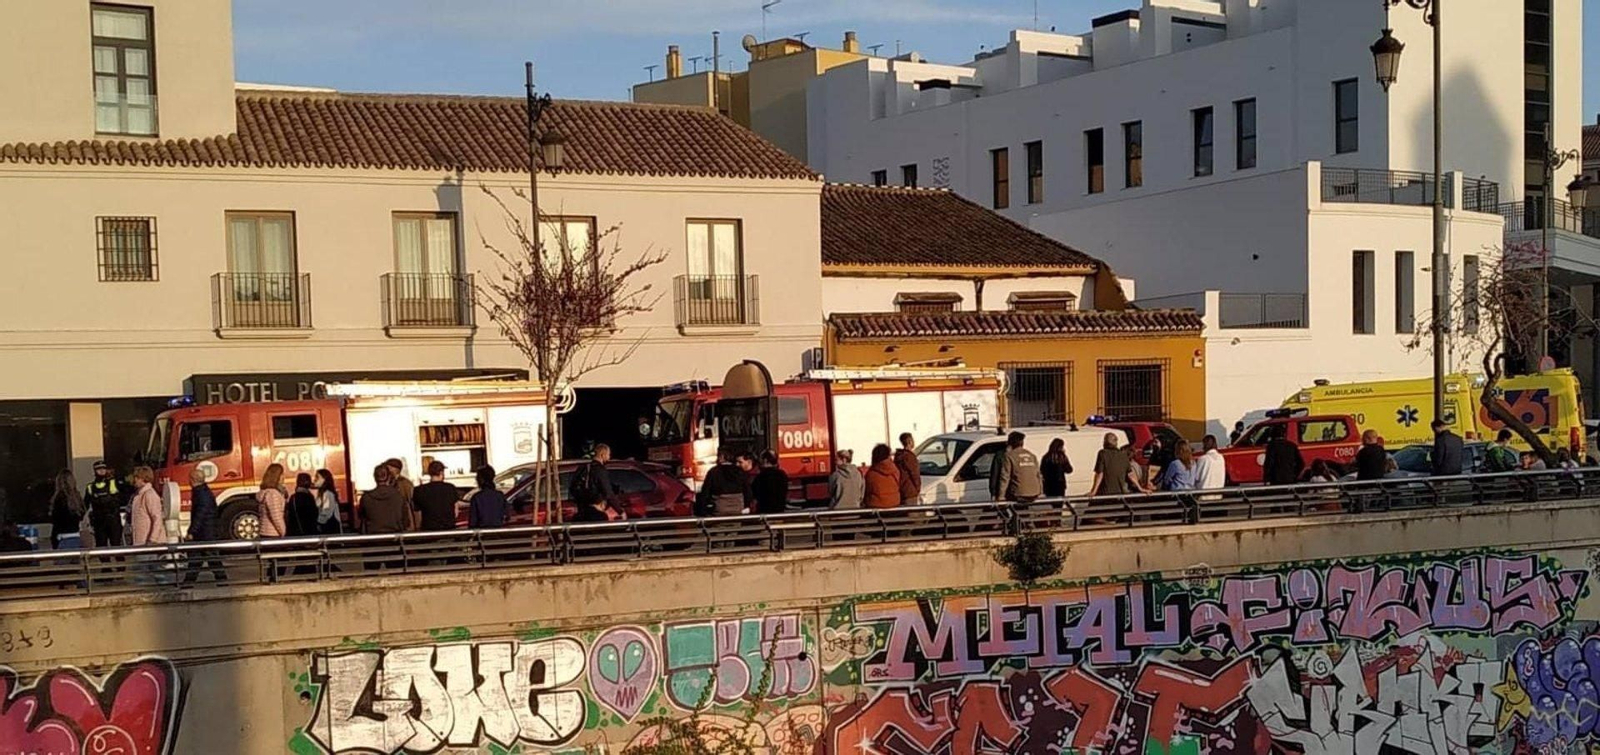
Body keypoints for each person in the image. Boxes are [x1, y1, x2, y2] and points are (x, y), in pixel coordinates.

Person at [182, 467, 228, 585]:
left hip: (204, 533)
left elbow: (199, 515)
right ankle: (189, 582)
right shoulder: (204, 492)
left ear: (193, 479)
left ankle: (221, 581)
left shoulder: (200, 494)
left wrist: (191, 531)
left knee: (205, 558)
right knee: (203, 559)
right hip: (207, 531)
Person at [696, 448, 754, 516]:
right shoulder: (739, 471)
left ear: (722, 457)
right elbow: (747, 492)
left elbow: (705, 492)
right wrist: (746, 506)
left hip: (719, 509)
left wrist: (703, 509)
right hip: (738, 509)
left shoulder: (713, 472)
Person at [572, 444, 624, 520]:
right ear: (602, 454)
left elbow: (572, 487)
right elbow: (608, 492)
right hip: (596, 512)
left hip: (582, 511)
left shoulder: (583, 468)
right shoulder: (600, 470)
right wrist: (620, 511)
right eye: (608, 455)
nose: (609, 458)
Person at [990, 432, 1044, 503]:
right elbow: (1038, 475)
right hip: (1034, 493)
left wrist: (1001, 496)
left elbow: (1005, 477)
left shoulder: (1009, 456)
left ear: (1010, 443)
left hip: (1018, 494)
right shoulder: (1032, 455)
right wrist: (1041, 492)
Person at [360, 464, 413, 534]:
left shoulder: (366, 498)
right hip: (395, 537)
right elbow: (406, 521)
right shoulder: (398, 496)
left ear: (375, 477)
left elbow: (362, 517)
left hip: (373, 538)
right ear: (389, 477)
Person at [84, 460, 124, 548]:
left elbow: (122, 498)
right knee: (101, 548)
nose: (101, 471)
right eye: (99, 469)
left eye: (103, 469)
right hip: (99, 522)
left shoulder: (113, 483)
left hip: (113, 520)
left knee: (117, 548)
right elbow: (85, 505)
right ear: (94, 471)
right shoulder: (90, 487)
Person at [413, 461, 462, 531]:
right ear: (441, 472)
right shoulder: (450, 488)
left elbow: (417, 515)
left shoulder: (419, 490)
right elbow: (456, 512)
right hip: (448, 530)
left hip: (428, 531)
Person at [127, 466, 166, 547]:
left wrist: (153, 539)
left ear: (144, 478)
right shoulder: (138, 495)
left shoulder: (149, 494)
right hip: (141, 541)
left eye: (137, 477)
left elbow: (157, 518)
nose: (135, 480)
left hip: (149, 543)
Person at [49, 470, 86, 549]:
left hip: (63, 537)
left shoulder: (59, 498)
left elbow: (56, 520)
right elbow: (82, 514)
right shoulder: (77, 497)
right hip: (76, 535)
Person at [864, 444, 902, 509]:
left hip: (875, 505)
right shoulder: (895, 470)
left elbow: (867, 490)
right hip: (894, 503)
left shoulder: (871, 474)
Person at [256, 463, 288, 538]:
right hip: (273, 533)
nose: (283, 477)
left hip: (265, 532)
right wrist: (283, 532)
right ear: (276, 476)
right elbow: (276, 516)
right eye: (282, 474)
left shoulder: (265, 492)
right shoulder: (273, 494)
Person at [752, 450, 790, 515]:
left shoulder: (760, 477)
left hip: (764, 511)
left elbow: (755, 493)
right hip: (779, 510)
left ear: (765, 460)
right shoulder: (782, 474)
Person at [286, 473, 320, 537]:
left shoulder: (293, 497)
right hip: (309, 532)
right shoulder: (308, 497)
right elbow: (314, 514)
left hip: (296, 532)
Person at [893, 433, 922, 506]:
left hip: (901, 489)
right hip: (910, 491)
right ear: (910, 441)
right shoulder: (909, 457)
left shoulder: (898, 456)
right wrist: (917, 488)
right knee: (912, 513)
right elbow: (914, 474)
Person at [314, 469, 343, 535]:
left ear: (324, 479)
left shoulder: (328, 494)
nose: (314, 480)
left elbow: (326, 512)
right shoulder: (322, 494)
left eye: (317, 477)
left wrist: (318, 522)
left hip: (329, 529)